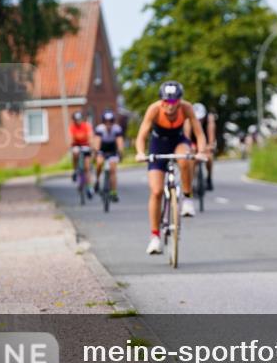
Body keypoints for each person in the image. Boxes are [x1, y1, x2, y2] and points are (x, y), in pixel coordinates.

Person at [134, 81, 208, 255]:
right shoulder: (154, 109)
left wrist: (201, 152)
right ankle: (155, 237)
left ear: (180, 101)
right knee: (157, 191)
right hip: (157, 145)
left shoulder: (187, 108)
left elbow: (199, 133)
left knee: (185, 160)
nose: (169, 106)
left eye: (174, 102)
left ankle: (188, 199)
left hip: (178, 141)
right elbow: (141, 135)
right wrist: (139, 152)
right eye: (165, 101)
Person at [93, 110, 125, 201]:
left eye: (110, 122)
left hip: (112, 149)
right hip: (102, 149)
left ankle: (113, 192)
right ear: (103, 122)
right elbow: (97, 142)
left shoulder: (117, 129)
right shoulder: (100, 129)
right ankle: (97, 180)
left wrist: (120, 152)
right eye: (106, 122)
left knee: (113, 170)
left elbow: (120, 142)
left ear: (113, 122)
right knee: (99, 163)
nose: (108, 124)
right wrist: (97, 151)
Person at [185, 102, 217, 191]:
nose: (199, 121)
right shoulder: (189, 120)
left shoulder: (209, 119)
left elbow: (211, 137)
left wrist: (209, 146)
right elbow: (187, 137)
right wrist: (190, 147)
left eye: (201, 119)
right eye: (197, 119)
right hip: (193, 141)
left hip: (205, 141)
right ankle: (191, 182)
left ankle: (209, 177)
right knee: (192, 159)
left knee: (209, 157)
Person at [68, 110, 94, 198]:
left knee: (87, 168)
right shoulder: (72, 127)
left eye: (79, 119)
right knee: (75, 152)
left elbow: (90, 136)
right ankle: (75, 170)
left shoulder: (86, 126)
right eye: (76, 120)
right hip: (76, 145)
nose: (78, 121)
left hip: (85, 145)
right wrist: (71, 143)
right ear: (74, 120)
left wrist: (91, 145)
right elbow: (71, 138)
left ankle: (90, 188)